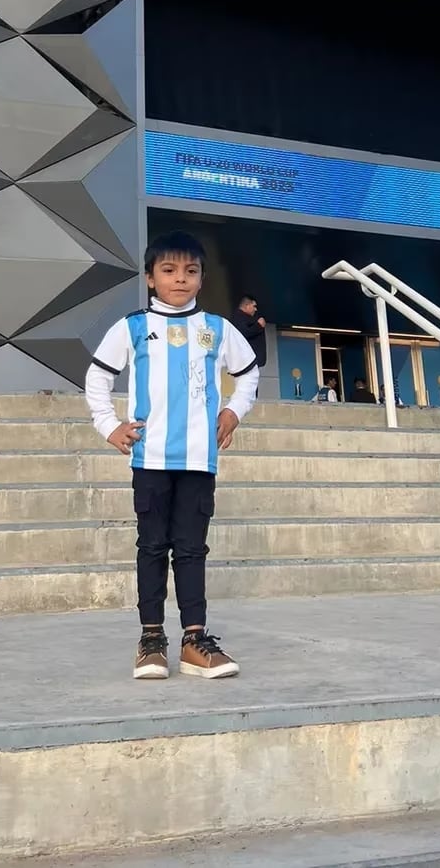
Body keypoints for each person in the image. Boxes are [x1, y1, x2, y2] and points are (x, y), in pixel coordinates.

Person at [84, 230, 258, 682]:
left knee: (192, 549)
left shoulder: (218, 329)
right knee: (152, 547)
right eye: (169, 271)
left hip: (200, 460)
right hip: (151, 459)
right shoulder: (133, 327)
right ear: (149, 278)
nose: (180, 279)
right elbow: (97, 378)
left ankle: (195, 640)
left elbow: (248, 374)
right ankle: (151, 640)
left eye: (191, 271)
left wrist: (233, 412)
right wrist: (109, 426)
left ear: (201, 278)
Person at [231, 294, 267, 369]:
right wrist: (258, 325)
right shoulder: (238, 317)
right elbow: (243, 332)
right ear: (247, 305)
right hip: (245, 363)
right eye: (254, 306)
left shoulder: (245, 318)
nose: (255, 309)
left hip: (251, 362)